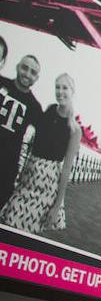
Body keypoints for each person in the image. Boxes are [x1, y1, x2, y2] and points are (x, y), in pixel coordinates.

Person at [0, 72, 80, 232]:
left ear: (72, 91)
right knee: (9, 217)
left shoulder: (74, 129)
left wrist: (57, 205)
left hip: (47, 183)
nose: (60, 91)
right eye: (57, 87)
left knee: (27, 229)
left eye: (65, 88)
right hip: (28, 176)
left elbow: (66, 169)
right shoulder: (49, 110)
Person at [0, 53, 41, 211]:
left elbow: (45, 138)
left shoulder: (35, 107)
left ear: (37, 78)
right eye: (25, 68)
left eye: (33, 72)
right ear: (17, 67)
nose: (27, 74)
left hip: (6, 168)